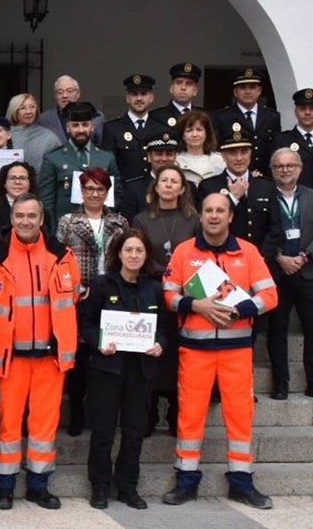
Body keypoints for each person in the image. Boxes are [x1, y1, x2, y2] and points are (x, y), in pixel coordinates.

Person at [161, 192, 278, 509]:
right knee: (190, 416)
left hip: (236, 350)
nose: (213, 215)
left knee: (240, 417)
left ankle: (241, 482)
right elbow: (169, 294)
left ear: (230, 217)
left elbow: (270, 295)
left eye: (220, 211)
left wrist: (240, 310)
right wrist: (194, 304)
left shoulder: (248, 252)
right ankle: (186, 481)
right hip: (195, 350)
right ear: (200, 216)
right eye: (208, 210)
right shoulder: (185, 252)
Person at [0, 193, 81, 510]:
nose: (25, 221)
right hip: (10, 358)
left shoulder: (62, 256)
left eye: (32, 216)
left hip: (49, 359)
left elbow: (72, 299)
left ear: (42, 220)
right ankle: (5, 486)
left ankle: (38, 486)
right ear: (11, 218)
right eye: (20, 216)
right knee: (8, 424)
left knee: (44, 426)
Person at [78, 229, 165, 510]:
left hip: (140, 371)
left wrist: (160, 344)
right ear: (118, 253)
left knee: (134, 431)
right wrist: (99, 341)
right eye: (128, 250)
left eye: (139, 250)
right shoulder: (102, 285)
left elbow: (164, 327)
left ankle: (128, 487)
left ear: (146, 255)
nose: (134, 255)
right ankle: (100, 486)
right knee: (103, 431)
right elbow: (86, 323)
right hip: (106, 369)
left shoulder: (154, 288)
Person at [56, 167, 130, 436]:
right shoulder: (67, 222)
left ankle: (102, 414)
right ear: (82, 192)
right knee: (79, 358)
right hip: (80, 295)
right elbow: (60, 261)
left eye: (100, 189)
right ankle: (77, 412)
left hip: (111, 294)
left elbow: (127, 256)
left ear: (107, 192)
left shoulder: (120, 222)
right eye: (89, 189)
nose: (95, 194)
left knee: (106, 354)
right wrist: (74, 288)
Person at [132, 165, 198, 436]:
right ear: (155, 187)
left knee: (176, 354)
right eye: (164, 181)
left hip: (185, 293)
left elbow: (199, 253)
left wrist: (177, 275)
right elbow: (137, 252)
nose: (169, 185)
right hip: (151, 290)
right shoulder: (142, 218)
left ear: (183, 189)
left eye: (175, 181)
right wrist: (164, 271)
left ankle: (174, 412)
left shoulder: (194, 219)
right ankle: (147, 412)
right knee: (149, 352)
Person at [261, 148, 313, 401]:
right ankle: (281, 382)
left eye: (290, 165)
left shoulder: (311, 196)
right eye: (279, 166)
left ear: (300, 168)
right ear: (272, 170)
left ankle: (312, 381)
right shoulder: (265, 195)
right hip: (277, 272)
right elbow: (262, 231)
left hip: (307, 271)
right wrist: (279, 257)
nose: (285, 170)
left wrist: (304, 257)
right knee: (277, 328)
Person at [39, 101, 121, 223]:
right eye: (75, 125)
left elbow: (116, 194)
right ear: (68, 127)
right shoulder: (53, 158)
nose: (81, 130)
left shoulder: (107, 157)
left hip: (100, 225)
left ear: (92, 127)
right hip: (66, 228)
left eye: (85, 125)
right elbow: (47, 203)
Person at [196, 133, 274, 249]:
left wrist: (261, 257)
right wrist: (233, 198)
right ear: (223, 156)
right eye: (232, 152)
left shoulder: (266, 185)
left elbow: (275, 227)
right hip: (224, 255)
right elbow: (207, 224)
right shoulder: (209, 186)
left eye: (244, 152)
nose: (239, 158)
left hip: (260, 258)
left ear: (250, 153)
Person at [101, 74, 169, 183]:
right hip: (125, 193)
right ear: (127, 98)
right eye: (134, 94)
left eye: (143, 94)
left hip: (156, 191)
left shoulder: (161, 129)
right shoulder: (112, 129)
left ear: (151, 97)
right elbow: (109, 167)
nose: (139, 98)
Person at [212, 68, 281, 176]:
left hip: (266, 177)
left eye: (252, 87)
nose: (248, 92)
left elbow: (275, 148)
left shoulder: (272, 116)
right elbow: (218, 150)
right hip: (235, 176)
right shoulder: (221, 117)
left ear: (259, 91)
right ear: (235, 92)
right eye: (243, 87)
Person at [119, 134, 181, 222]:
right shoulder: (134, 188)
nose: (164, 158)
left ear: (175, 157)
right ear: (149, 157)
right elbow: (127, 223)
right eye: (158, 154)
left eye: (169, 154)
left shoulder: (187, 187)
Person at [0, 161, 36, 250]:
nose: (17, 182)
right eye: (12, 178)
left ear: (30, 183)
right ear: (4, 183)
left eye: (22, 178)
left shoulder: (42, 211)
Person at [40, 75, 107, 147]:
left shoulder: (96, 116)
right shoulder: (44, 118)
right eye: (60, 92)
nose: (64, 95)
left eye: (69, 91)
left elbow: (101, 145)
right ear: (55, 96)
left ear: (78, 94)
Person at [7, 92, 62, 175]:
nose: (29, 111)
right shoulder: (3, 135)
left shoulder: (48, 136)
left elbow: (58, 165)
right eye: (23, 108)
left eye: (32, 107)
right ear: (14, 111)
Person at [149, 62, 203, 135]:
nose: (183, 88)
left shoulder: (205, 117)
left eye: (189, 84)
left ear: (195, 91)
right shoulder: (155, 117)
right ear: (171, 88)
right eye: (179, 82)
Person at [174, 110, 224, 186]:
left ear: (206, 133)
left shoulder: (220, 160)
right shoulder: (175, 161)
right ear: (183, 136)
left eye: (199, 130)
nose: (194, 134)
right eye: (189, 130)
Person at [276, 88, 313, 189]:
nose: (307, 113)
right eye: (303, 108)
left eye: (311, 108)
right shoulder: (282, 141)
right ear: (296, 111)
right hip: (296, 199)